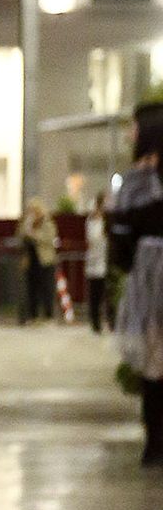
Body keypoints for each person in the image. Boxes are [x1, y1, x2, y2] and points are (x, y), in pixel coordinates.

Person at [110, 99, 163, 467]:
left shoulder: (138, 181)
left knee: (154, 360)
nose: (130, 133)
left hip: (149, 273)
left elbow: (120, 233)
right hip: (148, 272)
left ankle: (156, 440)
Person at [16, 196, 58, 322]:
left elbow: (49, 239)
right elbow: (20, 236)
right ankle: (32, 315)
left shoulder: (48, 223)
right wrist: (26, 226)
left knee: (46, 288)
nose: (32, 213)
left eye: (34, 210)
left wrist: (34, 234)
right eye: (30, 211)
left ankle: (48, 315)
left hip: (45, 260)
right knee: (31, 288)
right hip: (31, 261)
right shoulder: (26, 223)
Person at [84, 201, 111, 332]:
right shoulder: (91, 223)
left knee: (106, 294)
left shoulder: (108, 223)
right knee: (94, 294)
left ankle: (110, 320)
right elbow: (93, 239)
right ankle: (95, 322)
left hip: (106, 263)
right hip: (94, 263)